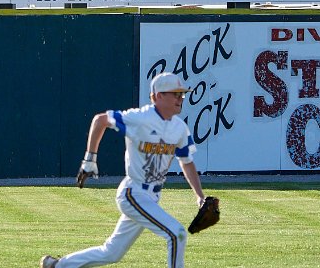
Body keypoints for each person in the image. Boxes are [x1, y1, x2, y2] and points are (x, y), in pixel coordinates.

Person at [41, 71, 207, 268]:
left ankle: (58, 265)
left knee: (111, 253)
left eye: (182, 94)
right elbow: (100, 120)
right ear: (158, 96)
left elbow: (186, 161)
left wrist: (199, 196)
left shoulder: (179, 128)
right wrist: (89, 159)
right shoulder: (140, 118)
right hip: (133, 192)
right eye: (175, 94)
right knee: (176, 233)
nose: (180, 99)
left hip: (152, 197)